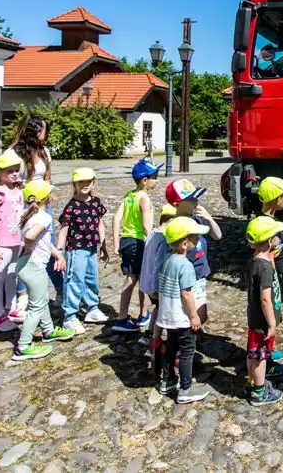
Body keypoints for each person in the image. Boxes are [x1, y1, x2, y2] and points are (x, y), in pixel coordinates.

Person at [15, 179, 74, 361]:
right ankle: (23, 346)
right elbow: (32, 236)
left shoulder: (29, 215)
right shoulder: (44, 217)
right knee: (36, 306)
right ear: (45, 198)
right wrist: (28, 242)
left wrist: (57, 255)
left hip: (25, 265)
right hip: (34, 268)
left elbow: (44, 241)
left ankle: (48, 330)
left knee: (40, 300)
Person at [155, 216, 211, 403]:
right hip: (182, 318)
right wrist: (194, 316)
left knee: (171, 348)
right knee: (187, 351)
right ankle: (185, 389)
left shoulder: (166, 260)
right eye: (195, 237)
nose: (198, 240)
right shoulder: (186, 265)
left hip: (167, 317)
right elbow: (186, 294)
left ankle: (167, 380)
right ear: (185, 243)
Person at [9, 114, 60, 314]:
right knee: (26, 248)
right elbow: (9, 180)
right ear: (35, 131)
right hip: (23, 206)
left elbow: (48, 178)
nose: (45, 134)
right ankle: (22, 294)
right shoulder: (15, 153)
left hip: (43, 205)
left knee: (49, 245)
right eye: (43, 130)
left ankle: (58, 289)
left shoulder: (44, 152)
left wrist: (47, 201)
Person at [165, 179, 222, 334]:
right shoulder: (175, 226)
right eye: (191, 199)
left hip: (200, 274)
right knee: (186, 315)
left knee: (201, 315)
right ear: (177, 204)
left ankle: (187, 340)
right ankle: (181, 346)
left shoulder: (198, 218)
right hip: (184, 278)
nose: (196, 202)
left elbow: (217, 235)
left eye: (196, 197)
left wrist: (209, 218)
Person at [58, 167, 110, 335]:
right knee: (74, 281)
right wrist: (59, 252)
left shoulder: (96, 202)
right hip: (75, 249)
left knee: (91, 278)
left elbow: (100, 223)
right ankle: (70, 315)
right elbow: (64, 228)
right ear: (75, 184)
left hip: (92, 247)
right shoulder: (71, 206)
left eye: (88, 181)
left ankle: (92, 308)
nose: (85, 185)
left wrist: (103, 245)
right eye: (81, 182)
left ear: (93, 182)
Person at [111, 158, 161, 332]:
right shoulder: (144, 198)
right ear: (145, 180)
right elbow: (147, 227)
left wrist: (116, 242)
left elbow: (116, 218)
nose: (157, 179)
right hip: (138, 242)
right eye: (155, 176)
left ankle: (143, 314)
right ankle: (123, 317)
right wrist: (156, 242)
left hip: (126, 240)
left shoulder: (129, 196)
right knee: (135, 279)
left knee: (138, 277)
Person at [245, 216, 283, 407]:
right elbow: (265, 298)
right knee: (260, 357)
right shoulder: (265, 270)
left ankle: (251, 383)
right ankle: (259, 393)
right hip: (263, 321)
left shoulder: (254, 262)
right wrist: (271, 322)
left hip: (254, 319)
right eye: (275, 236)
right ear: (269, 241)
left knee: (252, 353)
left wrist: (271, 256)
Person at [0, 149, 25, 332]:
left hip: (17, 240)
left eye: (16, 170)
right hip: (3, 241)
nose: (14, 173)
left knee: (12, 274)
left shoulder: (18, 190)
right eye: (10, 171)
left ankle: (11, 308)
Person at [138, 204, 178, 355]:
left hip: (147, 281)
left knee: (158, 309)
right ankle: (155, 345)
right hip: (156, 285)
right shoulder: (163, 238)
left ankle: (149, 335)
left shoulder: (153, 233)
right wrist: (156, 288)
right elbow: (158, 263)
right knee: (165, 314)